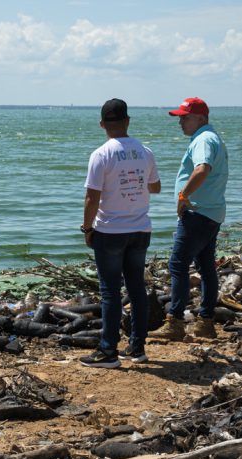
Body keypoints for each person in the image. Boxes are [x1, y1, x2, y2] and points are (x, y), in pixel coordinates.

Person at [79, 98, 161, 369]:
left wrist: (87, 228)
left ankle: (108, 351)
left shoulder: (101, 154)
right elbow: (156, 187)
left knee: (110, 292)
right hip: (140, 228)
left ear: (102, 124)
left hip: (111, 230)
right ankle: (137, 347)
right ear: (127, 121)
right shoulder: (145, 151)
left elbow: (92, 197)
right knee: (137, 288)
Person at [150, 97, 229, 341]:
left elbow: (201, 169)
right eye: (180, 117)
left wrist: (184, 195)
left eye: (186, 117)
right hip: (212, 211)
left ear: (201, 118)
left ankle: (174, 322)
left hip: (199, 212)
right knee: (206, 266)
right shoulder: (212, 137)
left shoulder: (203, 139)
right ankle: (205, 322)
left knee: (177, 264)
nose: (181, 122)